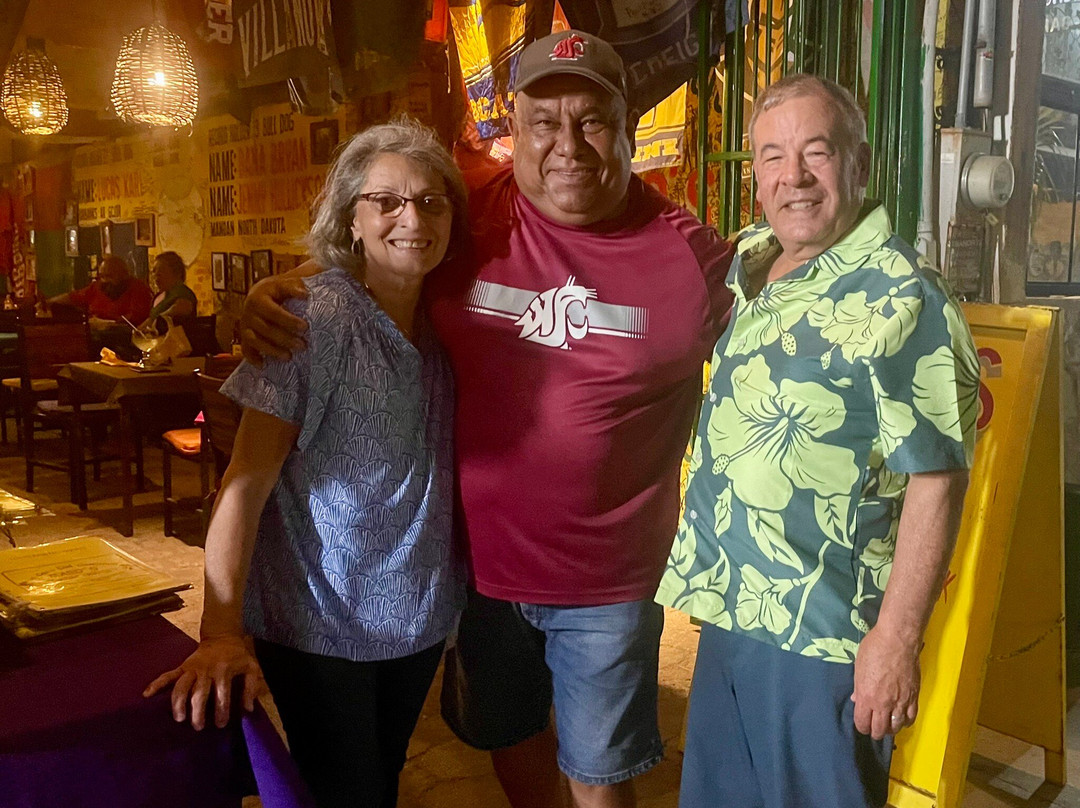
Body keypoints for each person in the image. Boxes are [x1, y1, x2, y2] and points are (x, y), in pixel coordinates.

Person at [240, 30, 735, 808]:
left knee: (599, 776)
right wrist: (286, 282)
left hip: (606, 581)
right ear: (516, 128)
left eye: (592, 120)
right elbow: (387, 243)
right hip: (477, 573)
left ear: (629, 126)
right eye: (545, 122)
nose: (568, 145)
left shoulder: (694, 258)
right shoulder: (473, 216)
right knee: (509, 738)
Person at [654, 74, 980, 808]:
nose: (793, 176)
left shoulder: (904, 297)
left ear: (858, 165)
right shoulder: (753, 263)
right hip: (732, 610)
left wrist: (896, 642)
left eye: (816, 153)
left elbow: (937, 479)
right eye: (772, 156)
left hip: (825, 638)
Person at [144, 119, 468, 808]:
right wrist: (220, 632)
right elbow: (244, 483)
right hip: (321, 621)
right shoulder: (310, 320)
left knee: (379, 781)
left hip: (416, 616)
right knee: (345, 791)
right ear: (351, 219)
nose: (412, 218)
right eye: (386, 201)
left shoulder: (446, 318)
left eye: (430, 202)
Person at [49, 254, 153, 328]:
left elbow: (137, 317)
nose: (105, 280)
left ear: (124, 274)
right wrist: (49, 302)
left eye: (109, 276)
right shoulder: (97, 286)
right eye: (102, 276)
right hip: (94, 333)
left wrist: (111, 323)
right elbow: (73, 297)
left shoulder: (138, 288)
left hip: (122, 336)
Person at [140, 250, 197, 331]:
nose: (156, 277)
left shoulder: (183, 294)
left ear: (177, 273)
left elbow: (179, 311)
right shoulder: (160, 295)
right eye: (154, 272)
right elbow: (151, 319)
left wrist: (157, 321)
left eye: (161, 272)